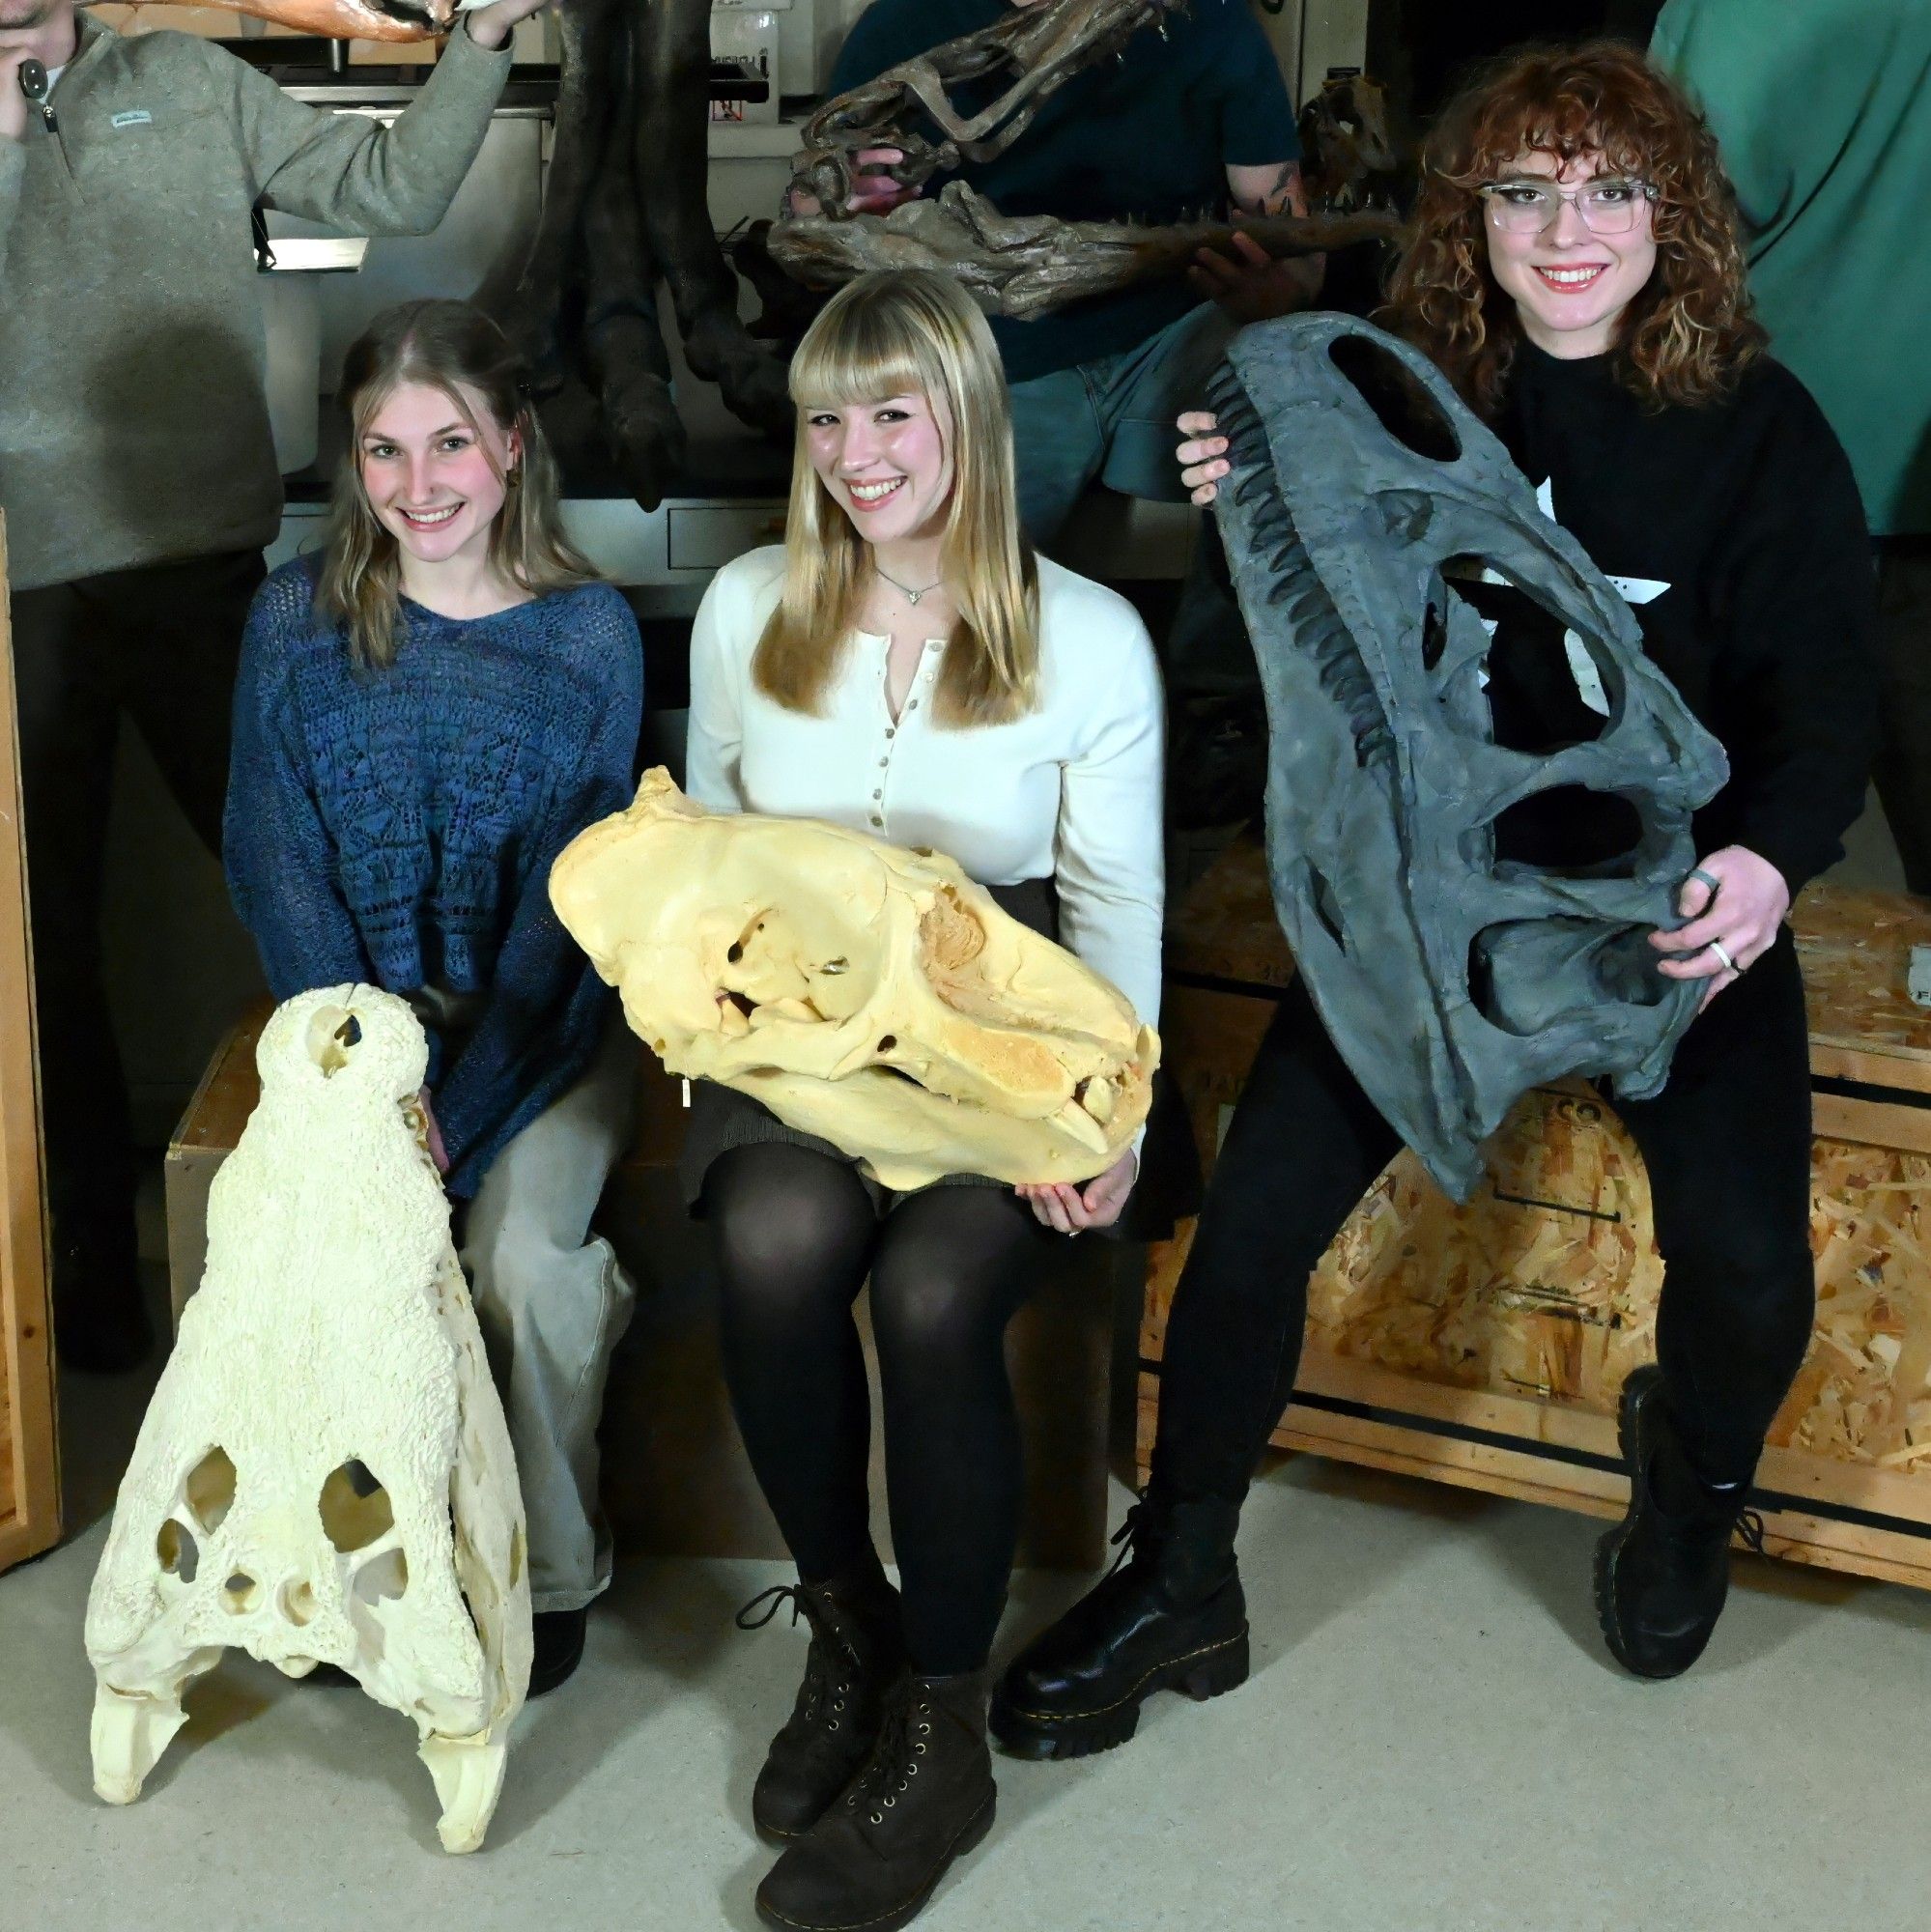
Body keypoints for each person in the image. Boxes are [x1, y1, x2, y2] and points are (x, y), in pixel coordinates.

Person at [992, 40, 1878, 1758]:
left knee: (1752, 1269)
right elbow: (1309, 680)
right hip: (1419, 908)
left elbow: (1825, 691)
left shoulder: (1757, 432)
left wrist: (1760, 865)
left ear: (1667, 218)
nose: (1565, 232)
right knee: (1248, 1235)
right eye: (1523, 193)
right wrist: (1246, 514)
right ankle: (1181, 1576)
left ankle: (1686, 1486)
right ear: (1470, 221)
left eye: (1608, 192)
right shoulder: (1387, 385)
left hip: (1665, 905)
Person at [684, 268, 1162, 1932]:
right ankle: (847, 1629)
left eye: (892, 411)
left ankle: (941, 1729)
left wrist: (1102, 1120)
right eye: (827, 416)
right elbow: (712, 857)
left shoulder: (1088, 635)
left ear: (967, 414)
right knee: (767, 1229)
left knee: (938, 1286)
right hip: (800, 1017)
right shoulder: (747, 604)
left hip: (998, 1022)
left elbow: (1111, 914)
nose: (856, 451)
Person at [0, 0, 545, 1372]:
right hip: (15, 589)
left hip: (199, 576)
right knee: (38, 957)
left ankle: (406, 1221)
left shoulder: (185, 78)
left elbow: (392, 190)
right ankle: (83, 1304)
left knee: (320, 896)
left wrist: (480, 40)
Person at [223, 298, 643, 1698]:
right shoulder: (297, 614)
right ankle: (361, 1564)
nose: (419, 487)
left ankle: (550, 1567)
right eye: (383, 452)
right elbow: (272, 858)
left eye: (449, 443)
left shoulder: (586, 637)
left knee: (521, 1268)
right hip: (350, 1031)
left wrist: (451, 1118)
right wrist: (373, 1090)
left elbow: (566, 921)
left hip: (545, 1032)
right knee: (339, 1258)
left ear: (510, 447)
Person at [809, 0, 1317, 547]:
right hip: (989, 352)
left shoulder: (1211, 19)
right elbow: (812, 208)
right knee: (956, 576)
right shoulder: (900, 24)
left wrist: (1275, 293)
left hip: (1174, 341)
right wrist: (839, 203)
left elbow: (1297, 255)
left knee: (1294, 458)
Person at [1652, 0, 1931, 894]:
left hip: (1760, 466)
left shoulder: (1728, 13)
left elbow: (1665, 232)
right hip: (1896, 464)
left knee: (1696, 870)